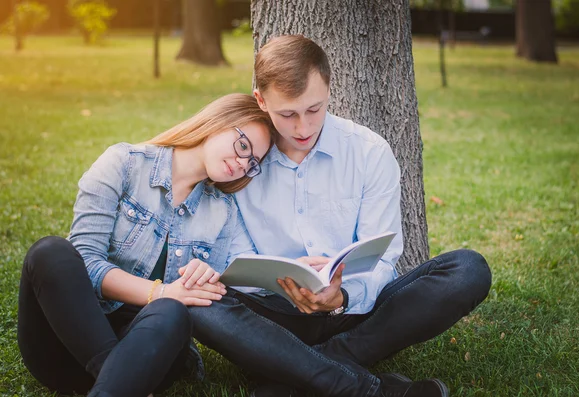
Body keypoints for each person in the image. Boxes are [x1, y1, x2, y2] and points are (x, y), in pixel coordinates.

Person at [188, 36, 492, 397]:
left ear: (330, 88)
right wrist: (284, 281)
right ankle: (361, 387)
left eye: (314, 109)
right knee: (195, 301)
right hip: (276, 319)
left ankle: (300, 371)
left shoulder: (368, 152)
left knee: (468, 270)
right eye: (287, 114)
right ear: (261, 100)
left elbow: (383, 258)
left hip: (356, 312)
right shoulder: (242, 159)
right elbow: (232, 260)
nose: (302, 128)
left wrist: (341, 297)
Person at [17, 93, 274, 397]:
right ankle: (117, 380)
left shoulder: (223, 212)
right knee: (50, 252)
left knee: (173, 312)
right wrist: (161, 291)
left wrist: (202, 279)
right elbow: (86, 262)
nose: (242, 162)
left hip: (148, 354)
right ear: (218, 121)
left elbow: (202, 301)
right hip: (66, 343)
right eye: (243, 145)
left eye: (252, 162)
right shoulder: (123, 164)